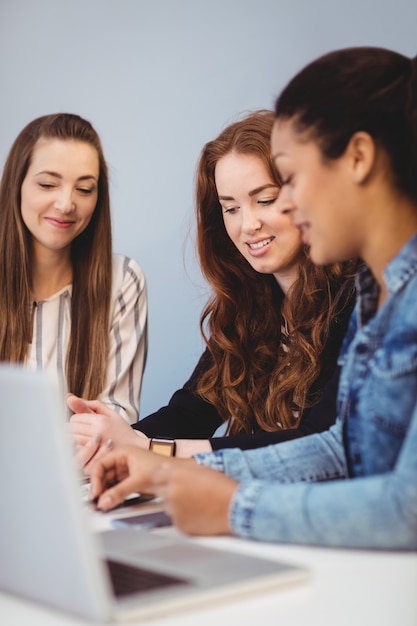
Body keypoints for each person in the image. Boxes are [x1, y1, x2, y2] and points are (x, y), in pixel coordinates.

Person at [88, 47, 417, 550]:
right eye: (232, 207)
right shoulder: (379, 293)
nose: (281, 207)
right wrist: (159, 470)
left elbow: (404, 508)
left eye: (285, 184)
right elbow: (338, 450)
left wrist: (228, 503)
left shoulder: (359, 294)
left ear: (358, 158)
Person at [69, 110, 356, 464]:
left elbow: (317, 443)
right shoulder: (252, 308)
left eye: (265, 200)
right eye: (230, 208)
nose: (247, 224)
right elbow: (192, 410)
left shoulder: (357, 299)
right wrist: (116, 437)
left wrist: (151, 450)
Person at [0, 113, 148, 423]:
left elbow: (116, 421)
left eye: (84, 189)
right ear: (17, 184)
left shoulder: (122, 282)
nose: (66, 204)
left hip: (79, 472)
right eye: (48, 184)